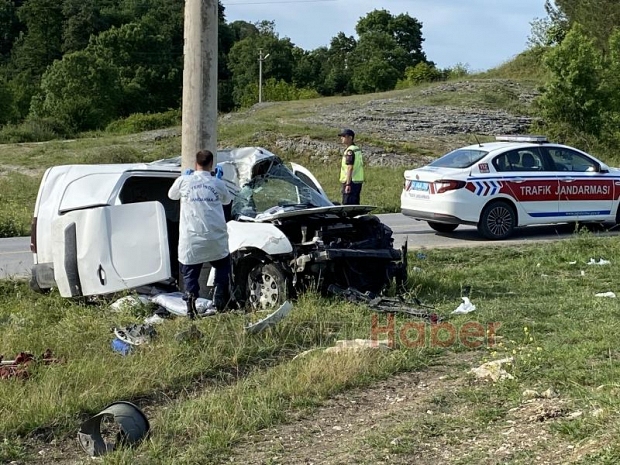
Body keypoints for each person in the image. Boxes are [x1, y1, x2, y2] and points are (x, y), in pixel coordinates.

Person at [168, 150, 233, 317]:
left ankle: (191, 307)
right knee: (223, 265)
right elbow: (227, 200)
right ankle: (219, 295)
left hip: (192, 239)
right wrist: (217, 180)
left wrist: (184, 177)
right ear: (211, 164)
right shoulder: (217, 183)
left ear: (195, 163)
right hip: (215, 238)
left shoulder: (185, 181)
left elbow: (171, 195)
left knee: (190, 272)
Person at [338, 128, 364, 205]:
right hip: (357, 181)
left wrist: (347, 184)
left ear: (350, 138)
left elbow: (350, 167)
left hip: (350, 181)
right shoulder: (356, 149)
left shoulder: (350, 151)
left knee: (347, 204)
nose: (341, 138)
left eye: (344, 136)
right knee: (354, 204)